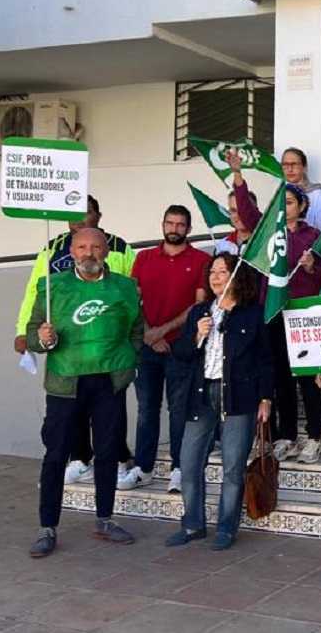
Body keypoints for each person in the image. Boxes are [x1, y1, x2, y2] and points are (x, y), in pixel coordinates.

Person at [25, 228, 143, 558]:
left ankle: (104, 520)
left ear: (106, 251)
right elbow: (33, 335)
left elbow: (137, 329)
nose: (88, 252)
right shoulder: (52, 287)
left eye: (95, 247)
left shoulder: (124, 287)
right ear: (72, 252)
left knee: (107, 453)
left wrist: (130, 362)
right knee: (56, 455)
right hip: (65, 384)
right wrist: (44, 339)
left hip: (109, 383)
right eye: (81, 247)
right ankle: (47, 527)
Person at [14, 195, 135, 485]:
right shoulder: (53, 248)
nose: (79, 219)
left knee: (110, 409)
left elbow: (132, 293)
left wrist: (131, 343)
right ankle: (80, 458)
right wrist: (23, 329)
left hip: (106, 344)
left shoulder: (119, 247)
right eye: (72, 213)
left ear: (99, 215)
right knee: (71, 404)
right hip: (66, 343)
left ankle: (118, 458)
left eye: (86, 212)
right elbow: (35, 291)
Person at [167, 253, 275, 551]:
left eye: (222, 271)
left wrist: (266, 398)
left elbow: (266, 359)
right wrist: (196, 336)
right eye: (212, 271)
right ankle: (192, 524)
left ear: (236, 277)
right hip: (201, 398)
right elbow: (180, 352)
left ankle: (226, 527)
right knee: (189, 464)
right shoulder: (200, 312)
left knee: (232, 468)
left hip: (239, 397)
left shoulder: (252, 314)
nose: (215, 277)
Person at [120, 206, 209, 493]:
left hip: (180, 348)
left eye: (180, 224)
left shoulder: (200, 260)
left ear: (188, 228)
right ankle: (143, 468)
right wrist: (149, 332)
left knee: (178, 410)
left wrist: (163, 330)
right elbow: (133, 298)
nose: (174, 228)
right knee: (147, 409)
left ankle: (179, 469)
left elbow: (198, 305)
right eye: (170, 223)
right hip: (147, 347)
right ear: (162, 224)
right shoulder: (144, 258)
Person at [270, 183, 321, 465]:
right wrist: (237, 177)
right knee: (283, 378)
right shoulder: (270, 236)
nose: (286, 208)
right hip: (277, 314)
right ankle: (287, 435)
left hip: (305, 315)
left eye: (291, 202)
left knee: (309, 378)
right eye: (281, 203)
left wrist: (311, 268)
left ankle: (315, 436)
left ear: (302, 206)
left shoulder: (315, 236)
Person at [213, 150, 260, 256]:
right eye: (233, 211)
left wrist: (237, 173)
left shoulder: (265, 241)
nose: (239, 215)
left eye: (243, 210)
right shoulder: (222, 245)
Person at [281, 147, 321, 231]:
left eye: (294, 164)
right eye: (285, 165)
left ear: (304, 167)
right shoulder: (280, 193)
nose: (290, 169)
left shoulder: (318, 194)